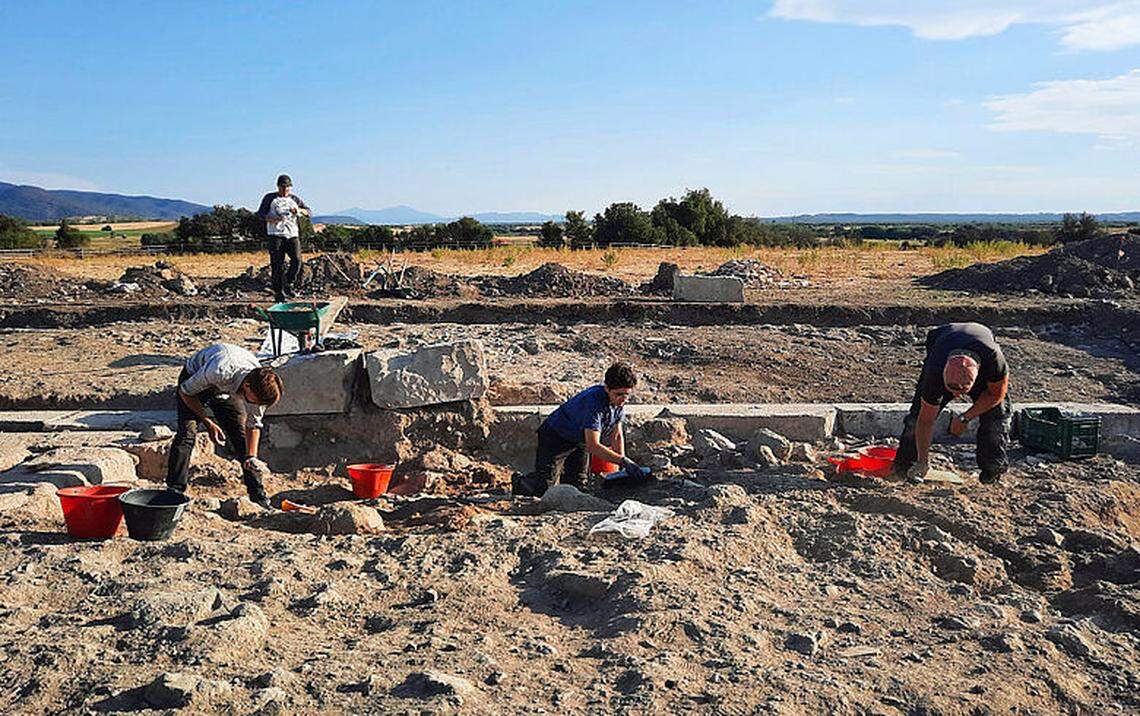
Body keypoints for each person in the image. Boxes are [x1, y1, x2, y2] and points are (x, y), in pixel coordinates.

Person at [166, 343, 284, 508]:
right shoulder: (219, 371)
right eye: (253, 401)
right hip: (195, 378)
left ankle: (258, 496)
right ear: (247, 386)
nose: (254, 405)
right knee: (187, 434)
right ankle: (174, 493)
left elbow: (253, 425)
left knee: (240, 438)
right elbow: (185, 392)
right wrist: (208, 422)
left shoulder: (261, 386)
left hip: (226, 388)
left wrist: (252, 457)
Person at [894, 322, 1011, 485]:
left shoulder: (993, 359)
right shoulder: (934, 372)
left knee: (996, 419)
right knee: (915, 418)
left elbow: (996, 394)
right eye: (951, 389)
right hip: (943, 340)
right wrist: (923, 461)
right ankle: (905, 467)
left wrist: (965, 417)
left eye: (963, 390)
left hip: (981, 344)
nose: (956, 395)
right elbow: (925, 420)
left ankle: (992, 472)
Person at [512, 362, 640, 497]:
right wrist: (622, 461)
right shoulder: (593, 403)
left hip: (579, 439)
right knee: (545, 491)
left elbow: (617, 435)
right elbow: (593, 446)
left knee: (578, 485)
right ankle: (521, 482)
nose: (623, 399)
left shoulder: (618, 402)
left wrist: (622, 466)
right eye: (619, 394)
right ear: (607, 388)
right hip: (555, 437)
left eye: (627, 395)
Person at [256, 174, 311, 302]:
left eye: (287, 187)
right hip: (275, 235)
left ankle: (288, 282)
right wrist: (271, 218)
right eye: (282, 187)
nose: (285, 190)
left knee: (297, 260)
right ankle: (278, 292)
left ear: (290, 187)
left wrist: (298, 211)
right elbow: (260, 213)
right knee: (277, 264)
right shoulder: (270, 198)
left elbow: (309, 212)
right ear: (278, 187)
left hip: (292, 234)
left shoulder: (295, 199)